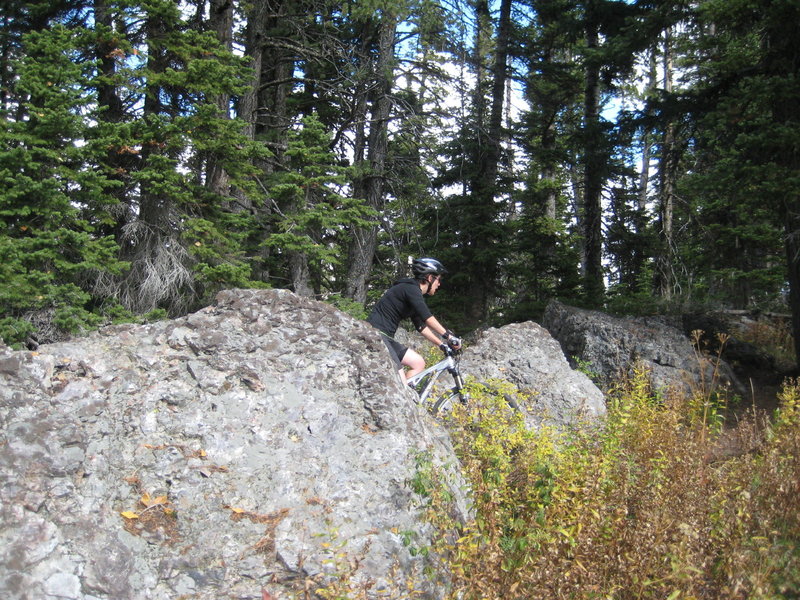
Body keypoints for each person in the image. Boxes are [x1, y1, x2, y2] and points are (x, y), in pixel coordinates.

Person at [367, 257, 462, 383]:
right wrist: (449, 336)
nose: (439, 284)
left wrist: (441, 344)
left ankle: (406, 398)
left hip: (386, 337)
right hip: (377, 335)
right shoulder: (410, 289)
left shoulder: (412, 291)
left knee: (418, 363)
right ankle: (401, 399)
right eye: (438, 280)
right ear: (429, 278)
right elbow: (427, 317)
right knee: (400, 381)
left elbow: (421, 326)